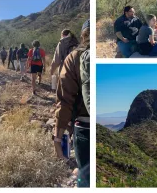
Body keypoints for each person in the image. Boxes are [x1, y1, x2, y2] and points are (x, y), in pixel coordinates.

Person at [54, 20, 90, 188]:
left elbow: (65, 101)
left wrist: (58, 138)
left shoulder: (74, 56)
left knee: (86, 179)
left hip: (84, 127)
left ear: (83, 35)